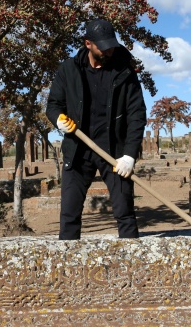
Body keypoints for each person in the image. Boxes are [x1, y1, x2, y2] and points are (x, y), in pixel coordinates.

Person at [46, 18, 147, 240]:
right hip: (78, 150)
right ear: (88, 44)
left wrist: (129, 155)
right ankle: (67, 264)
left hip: (114, 153)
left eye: (111, 44)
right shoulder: (68, 70)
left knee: (125, 213)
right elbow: (53, 105)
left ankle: (133, 264)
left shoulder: (125, 74)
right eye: (103, 46)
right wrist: (58, 120)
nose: (109, 50)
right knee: (69, 213)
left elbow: (137, 115)